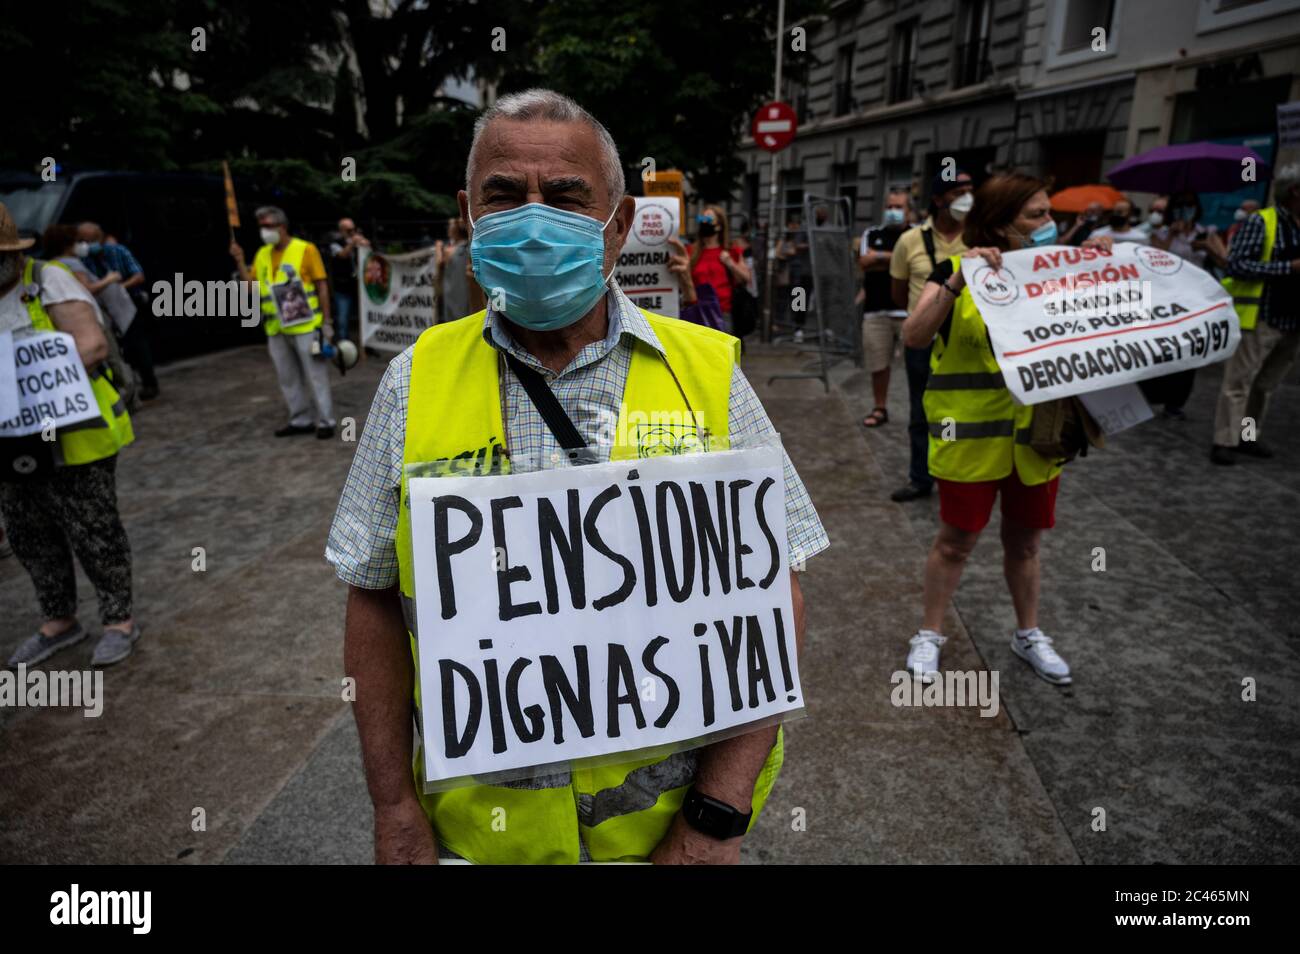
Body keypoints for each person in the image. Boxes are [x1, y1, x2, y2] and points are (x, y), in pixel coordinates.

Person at [325, 88, 828, 866]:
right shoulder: (411, 381)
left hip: (666, 837)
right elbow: (374, 596)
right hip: (481, 840)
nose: (532, 219)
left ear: (618, 224)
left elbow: (773, 601)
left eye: (564, 196)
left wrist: (714, 820)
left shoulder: (706, 373)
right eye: (504, 195)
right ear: (468, 214)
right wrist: (393, 810)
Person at [899, 174, 1114, 687]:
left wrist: (1110, 268)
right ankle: (929, 634)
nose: (1049, 224)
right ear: (998, 221)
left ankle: (1028, 634)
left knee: (1026, 545)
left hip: (1037, 441)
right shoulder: (955, 268)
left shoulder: (1060, 271)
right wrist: (957, 282)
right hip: (969, 441)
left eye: (1049, 215)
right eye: (1036, 216)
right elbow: (913, 335)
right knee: (954, 543)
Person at [0, 202, 140, 668]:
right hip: (13, 440)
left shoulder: (48, 279)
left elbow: (93, 345)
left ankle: (119, 621)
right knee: (28, 530)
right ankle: (59, 619)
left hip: (74, 434)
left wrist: (19, 383)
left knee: (94, 529)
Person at [887, 169, 973, 502]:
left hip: (965, 343)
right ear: (938, 199)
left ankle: (961, 474)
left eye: (970, 189)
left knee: (965, 410)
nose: (967, 197)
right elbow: (898, 291)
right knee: (920, 410)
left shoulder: (978, 238)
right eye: (958, 191)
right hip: (924, 341)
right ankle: (921, 477)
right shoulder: (909, 241)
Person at [1210, 169, 1300, 466]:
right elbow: (1236, 265)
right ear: (1295, 191)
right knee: (1239, 383)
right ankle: (1225, 440)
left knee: (1264, 386)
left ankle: (1247, 436)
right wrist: (1288, 268)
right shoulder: (1261, 221)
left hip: (1292, 322)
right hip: (1261, 317)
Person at [230, 207, 337, 439]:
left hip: (306, 325)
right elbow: (251, 287)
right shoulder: (262, 254)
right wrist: (240, 261)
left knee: (315, 374)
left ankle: (326, 420)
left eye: (268, 226)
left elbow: (321, 285)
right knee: (287, 376)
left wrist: (327, 322)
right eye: (262, 227)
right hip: (276, 327)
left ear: (282, 226)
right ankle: (300, 419)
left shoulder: (306, 249)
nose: (264, 231)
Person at [1145, 192, 1227, 418]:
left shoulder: (1207, 232)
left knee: (1190, 350)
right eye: (1181, 205)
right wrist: (1171, 236)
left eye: (1189, 205)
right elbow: (1152, 261)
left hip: (1195, 301)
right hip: (1165, 300)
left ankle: (1176, 401)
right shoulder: (1161, 233)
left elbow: (1225, 261)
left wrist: (1208, 248)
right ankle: (1153, 394)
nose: (1185, 210)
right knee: (1162, 347)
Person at [76, 221, 158, 400]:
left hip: (128, 303)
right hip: (104, 307)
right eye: (80, 240)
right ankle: (131, 383)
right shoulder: (83, 260)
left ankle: (149, 382)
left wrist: (118, 286)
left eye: (86, 240)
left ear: (97, 239)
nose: (83, 244)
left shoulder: (117, 251)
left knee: (137, 344)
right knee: (121, 348)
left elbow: (138, 275)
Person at [859, 189, 912, 428]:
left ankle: (920, 412)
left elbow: (915, 265)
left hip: (910, 312)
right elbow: (865, 263)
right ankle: (879, 407)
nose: (893, 211)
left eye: (899, 207)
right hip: (876, 312)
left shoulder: (916, 236)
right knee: (878, 364)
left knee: (918, 366)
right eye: (890, 206)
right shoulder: (872, 233)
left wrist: (880, 258)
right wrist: (896, 260)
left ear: (908, 211)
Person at [687, 205, 751, 334]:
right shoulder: (691, 251)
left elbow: (746, 278)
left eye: (709, 219)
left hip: (722, 312)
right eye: (702, 219)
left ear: (719, 226)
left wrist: (730, 263)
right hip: (698, 313)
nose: (705, 223)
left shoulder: (731, 251)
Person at [328, 217, 370, 343]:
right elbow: (342, 255)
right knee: (342, 318)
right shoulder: (335, 243)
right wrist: (353, 243)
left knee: (365, 317)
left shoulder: (358, 241)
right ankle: (343, 346)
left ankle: (366, 344)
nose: (353, 232)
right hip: (342, 287)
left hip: (358, 287)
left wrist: (365, 244)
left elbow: (370, 254)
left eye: (354, 229)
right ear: (342, 230)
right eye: (349, 230)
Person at [436, 217, 470, 323]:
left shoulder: (449, 250)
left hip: (452, 291)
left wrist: (438, 248)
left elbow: (439, 263)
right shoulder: (469, 247)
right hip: (466, 289)